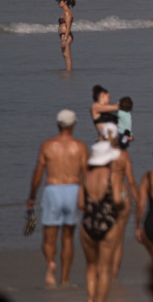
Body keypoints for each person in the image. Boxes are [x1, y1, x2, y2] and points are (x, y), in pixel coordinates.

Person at [29, 110, 89, 289]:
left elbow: (38, 173)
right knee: (68, 237)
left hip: (53, 189)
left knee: (49, 236)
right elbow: (86, 175)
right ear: (73, 125)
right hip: (73, 189)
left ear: (58, 124)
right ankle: (65, 278)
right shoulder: (79, 146)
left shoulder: (47, 145)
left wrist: (32, 195)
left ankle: (50, 263)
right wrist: (85, 197)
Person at [81, 140, 124, 302]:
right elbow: (118, 200)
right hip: (108, 221)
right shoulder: (113, 175)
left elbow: (80, 203)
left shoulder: (85, 175)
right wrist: (124, 202)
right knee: (104, 269)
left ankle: (90, 298)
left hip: (88, 222)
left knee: (91, 266)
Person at [56, 0, 76, 71]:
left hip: (66, 35)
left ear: (65, 2)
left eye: (60, 1)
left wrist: (65, 39)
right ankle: (68, 71)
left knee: (67, 56)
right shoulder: (64, 12)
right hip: (63, 35)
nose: (58, 3)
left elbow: (68, 27)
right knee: (65, 55)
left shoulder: (67, 13)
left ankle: (69, 73)